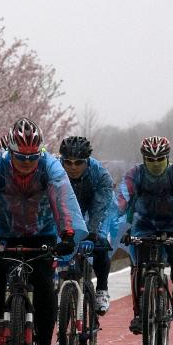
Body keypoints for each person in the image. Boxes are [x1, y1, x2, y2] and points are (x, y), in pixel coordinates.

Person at [0, 119, 84, 345]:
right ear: (10, 153)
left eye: (32, 159)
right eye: (21, 158)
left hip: (43, 232)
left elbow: (62, 199)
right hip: (4, 230)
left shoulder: (50, 167)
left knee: (43, 283)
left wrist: (67, 234)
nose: (27, 164)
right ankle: (1, 316)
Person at [109, 135, 173, 335]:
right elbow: (119, 205)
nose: (156, 164)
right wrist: (118, 231)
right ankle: (138, 314)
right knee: (137, 269)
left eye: (160, 159)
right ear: (144, 159)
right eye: (151, 160)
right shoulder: (135, 175)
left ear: (167, 157)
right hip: (143, 224)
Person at [57, 135, 116, 315]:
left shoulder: (100, 174)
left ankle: (102, 289)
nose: (73, 167)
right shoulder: (53, 171)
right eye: (68, 162)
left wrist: (92, 234)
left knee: (100, 245)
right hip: (65, 210)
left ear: (87, 161)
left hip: (93, 208)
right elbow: (46, 207)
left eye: (78, 163)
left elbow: (101, 209)